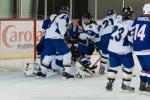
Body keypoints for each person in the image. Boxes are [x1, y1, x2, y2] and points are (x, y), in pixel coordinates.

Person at [40, 5, 74, 79]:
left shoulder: (55, 17)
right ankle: (66, 73)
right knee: (67, 53)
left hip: (47, 39)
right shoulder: (64, 16)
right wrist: (64, 33)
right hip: (56, 38)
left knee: (50, 55)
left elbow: (44, 29)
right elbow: (62, 25)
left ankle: (41, 71)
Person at [106, 6, 135, 91]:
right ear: (130, 15)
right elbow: (130, 37)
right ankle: (125, 85)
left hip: (111, 47)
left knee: (113, 67)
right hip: (123, 49)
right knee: (129, 67)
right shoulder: (131, 23)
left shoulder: (117, 20)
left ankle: (110, 82)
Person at [129, 3, 150, 93]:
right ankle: (149, 85)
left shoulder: (137, 19)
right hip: (147, 48)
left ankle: (142, 85)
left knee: (145, 68)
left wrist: (134, 44)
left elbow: (130, 33)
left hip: (137, 49)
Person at [97, 9, 116, 75]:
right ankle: (111, 68)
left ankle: (102, 69)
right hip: (110, 36)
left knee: (105, 54)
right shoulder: (114, 17)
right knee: (113, 53)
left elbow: (98, 31)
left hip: (102, 38)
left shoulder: (102, 20)